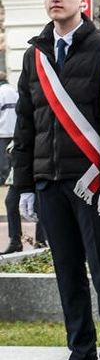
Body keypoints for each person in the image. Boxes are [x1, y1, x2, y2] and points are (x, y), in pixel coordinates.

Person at [14, 0, 100, 360]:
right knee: (67, 272)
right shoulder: (35, 55)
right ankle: (81, 356)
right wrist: (24, 184)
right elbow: (27, 124)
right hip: (49, 179)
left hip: (91, 182)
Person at [1, 71, 22, 254]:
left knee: (42, 202)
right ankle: (15, 239)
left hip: (36, 156)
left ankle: (41, 240)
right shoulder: (20, 94)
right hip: (22, 153)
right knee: (10, 201)